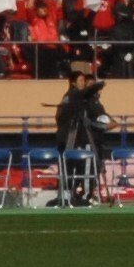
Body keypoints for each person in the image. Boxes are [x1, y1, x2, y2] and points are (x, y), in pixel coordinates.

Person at [52, 59, 111, 206]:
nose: (83, 83)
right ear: (73, 83)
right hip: (69, 138)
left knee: (75, 167)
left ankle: (74, 195)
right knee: (71, 167)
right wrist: (96, 86)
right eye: (80, 80)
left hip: (73, 138)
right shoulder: (72, 96)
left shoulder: (77, 98)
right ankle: (73, 195)